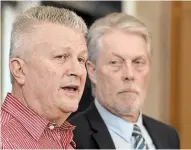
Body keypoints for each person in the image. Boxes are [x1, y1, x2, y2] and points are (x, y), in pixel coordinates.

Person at [69, 12, 180, 149]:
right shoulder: (70, 138)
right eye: (115, 62)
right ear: (92, 71)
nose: (129, 74)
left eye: (138, 62)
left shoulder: (168, 136)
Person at [1, 6, 88, 149]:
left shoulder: (66, 139)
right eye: (61, 56)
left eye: (81, 59)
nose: (78, 70)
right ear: (20, 70)